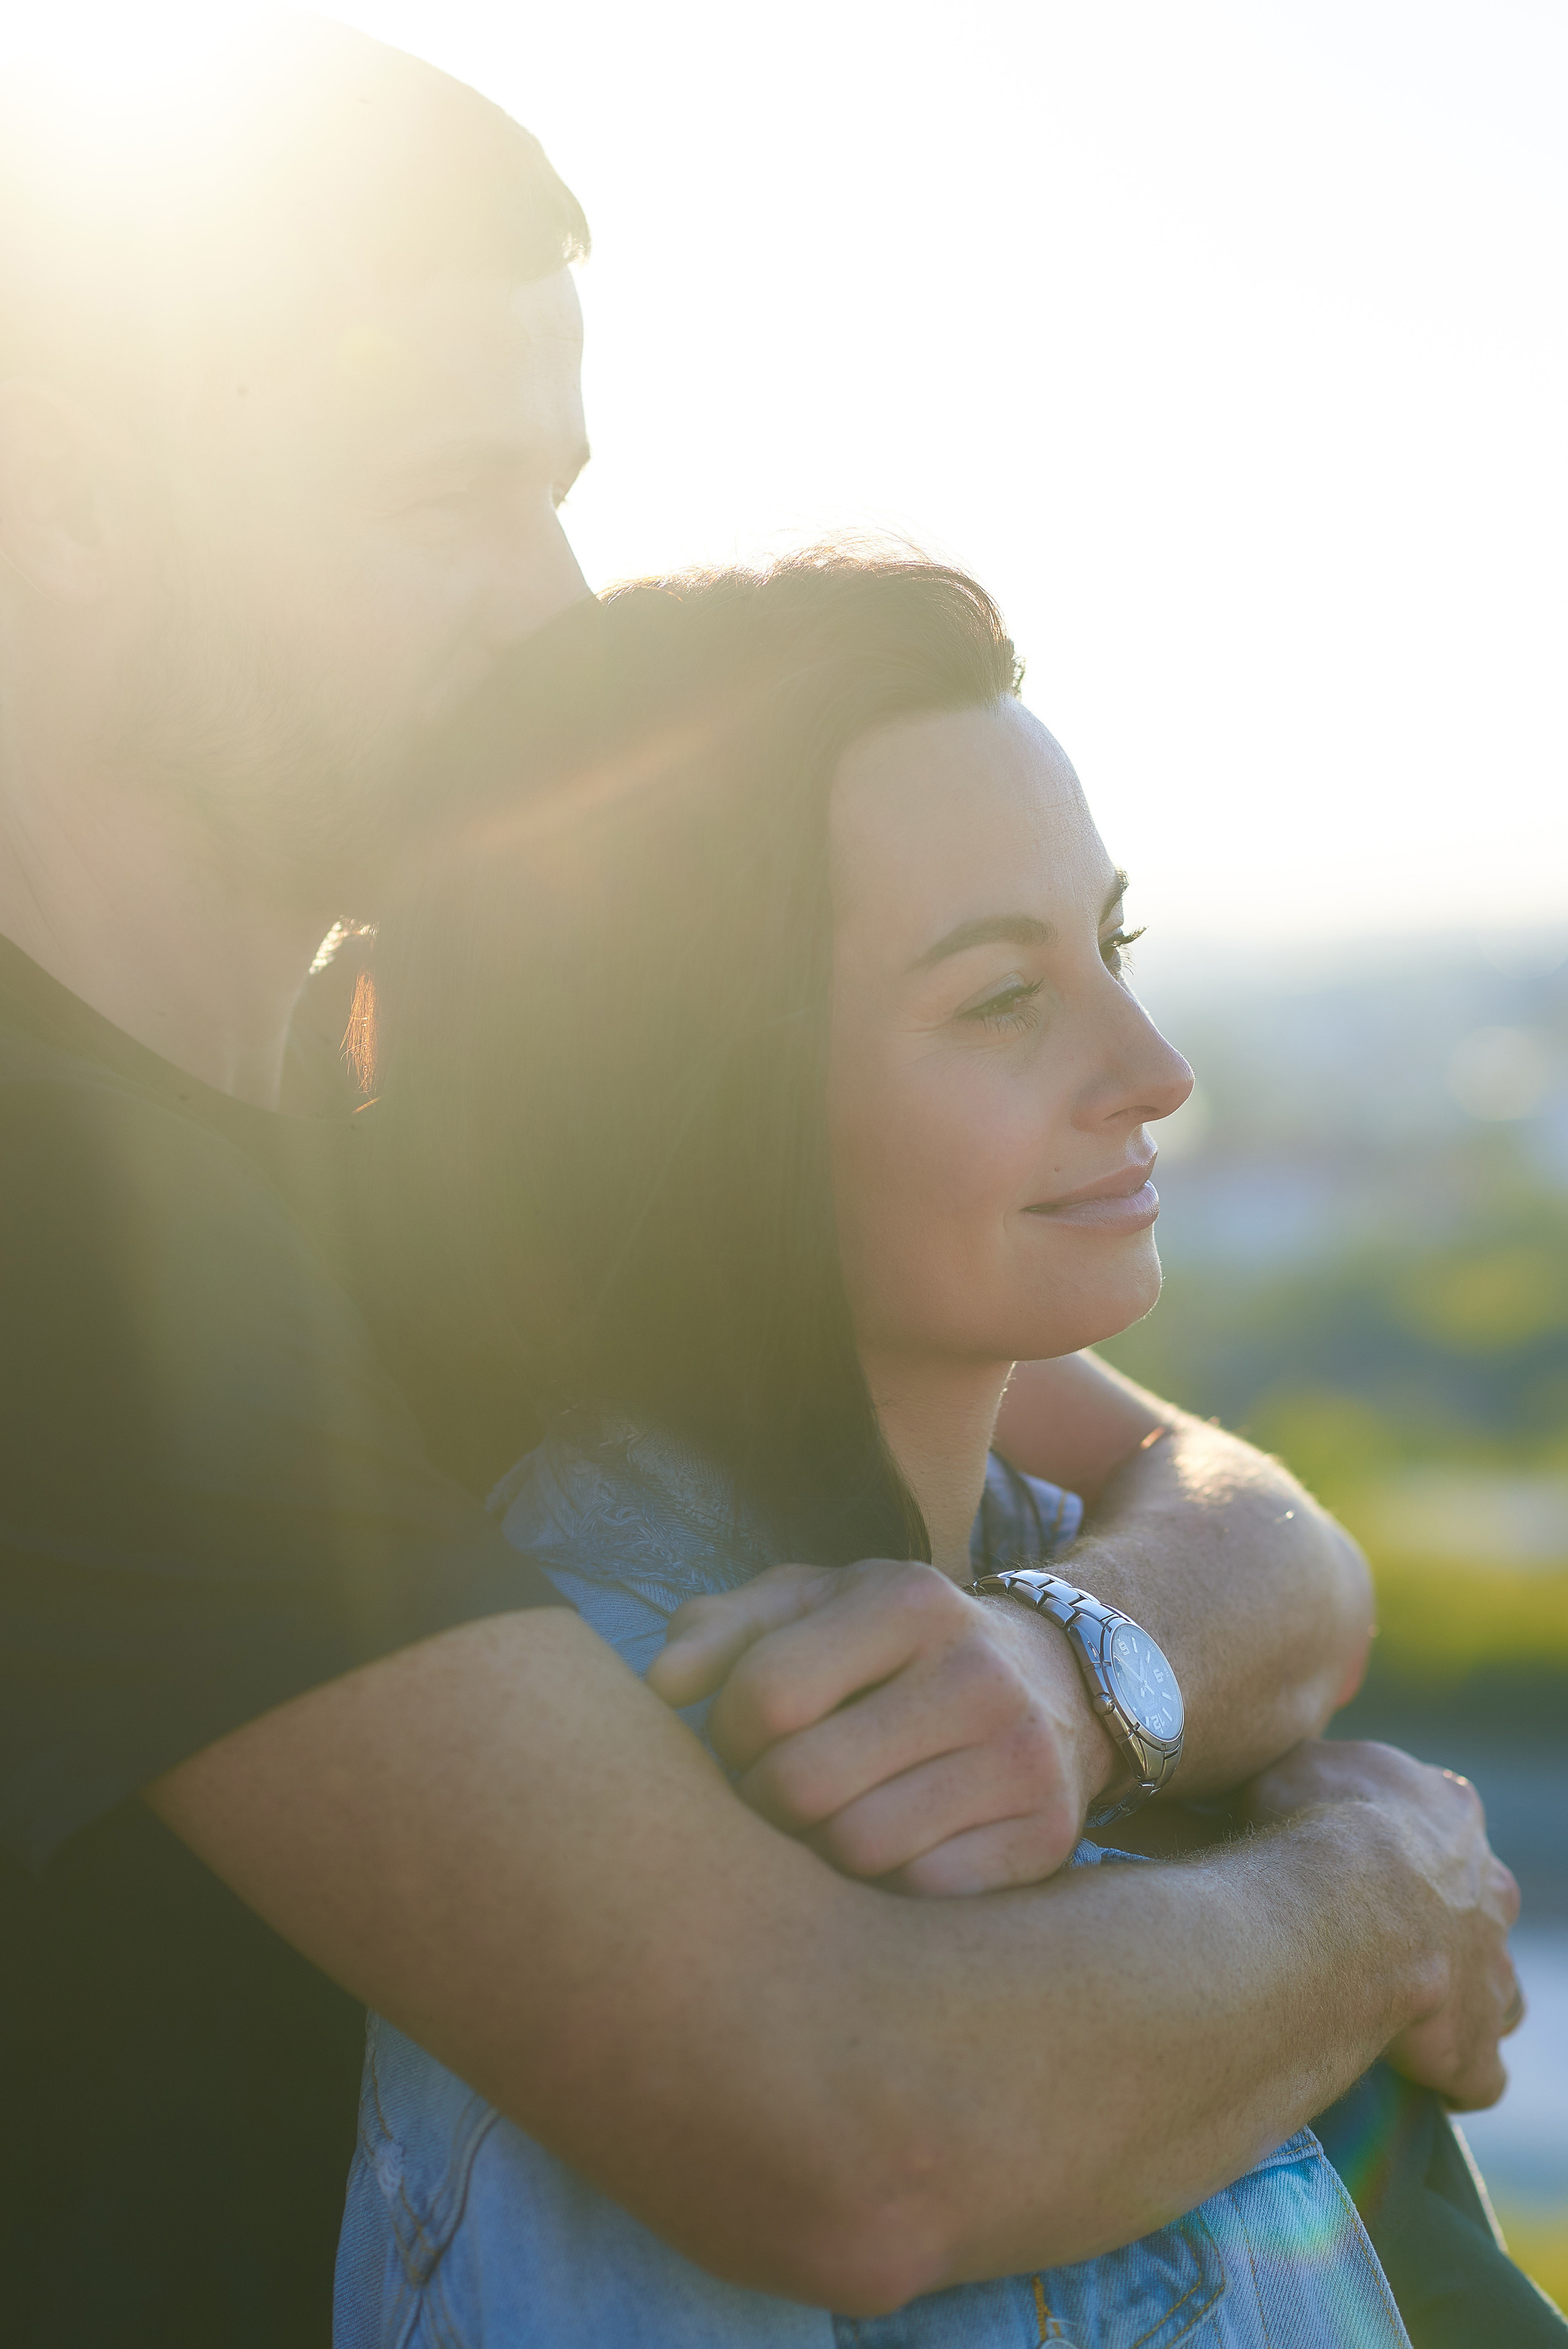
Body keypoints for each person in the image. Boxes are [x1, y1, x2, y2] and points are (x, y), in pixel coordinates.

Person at [0, 17, 1532, 2345]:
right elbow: (848, 2122)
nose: (548, 598)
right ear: (65, 500)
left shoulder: (358, 1093)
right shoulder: (63, 1222)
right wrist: (1375, 1888)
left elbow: (1245, 1515)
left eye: (554, 488)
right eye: (441, 496)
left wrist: (1070, 1670)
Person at [333, 554, 1556, 2347]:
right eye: (1002, 1000)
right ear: (708, 1114)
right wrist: (1370, 1899)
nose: (1156, 1066)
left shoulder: (1082, 1613)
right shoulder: (650, 1767)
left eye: (1114, 950)